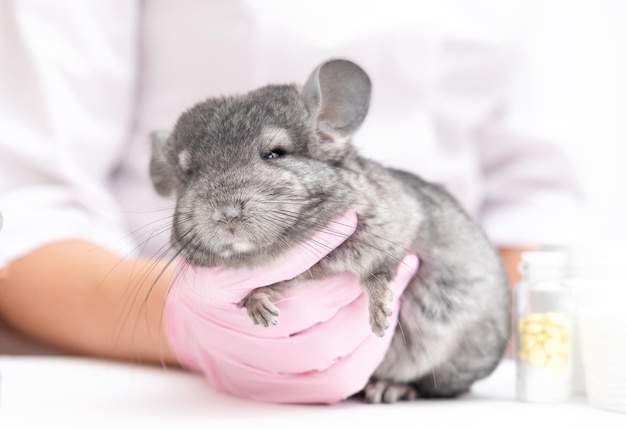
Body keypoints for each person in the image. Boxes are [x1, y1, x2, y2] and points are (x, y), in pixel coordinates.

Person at [0, 0, 581, 373]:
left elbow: (531, 204)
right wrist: (187, 324)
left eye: (274, 153)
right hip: (157, 369)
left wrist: (456, 348)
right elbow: (26, 205)